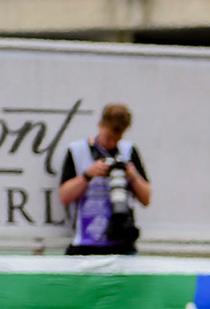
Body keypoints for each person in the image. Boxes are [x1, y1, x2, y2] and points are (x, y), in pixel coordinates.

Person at [58, 103, 152, 256]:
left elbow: (146, 199)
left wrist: (132, 176)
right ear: (100, 125)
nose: (112, 143)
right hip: (85, 244)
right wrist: (88, 175)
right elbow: (64, 196)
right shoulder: (77, 151)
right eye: (109, 137)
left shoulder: (128, 151)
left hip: (122, 243)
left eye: (118, 138)